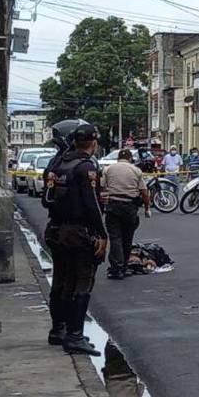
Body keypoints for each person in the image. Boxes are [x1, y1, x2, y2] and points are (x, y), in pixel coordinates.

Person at [43, 125, 108, 356]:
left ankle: (58, 330)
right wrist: (102, 235)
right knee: (82, 282)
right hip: (78, 232)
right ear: (93, 143)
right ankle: (75, 335)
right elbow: (92, 205)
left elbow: (46, 199)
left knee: (61, 280)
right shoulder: (86, 167)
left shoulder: (56, 164)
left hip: (56, 229)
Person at [101, 149, 151, 280]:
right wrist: (147, 208)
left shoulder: (108, 169)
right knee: (127, 238)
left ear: (118, 158)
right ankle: (123, 267)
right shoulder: (136, 170)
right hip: (130, 207)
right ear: (130, 158)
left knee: (115, 237)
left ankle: (116, 267)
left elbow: (102, 188)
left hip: (113, 206)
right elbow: (144, 192)